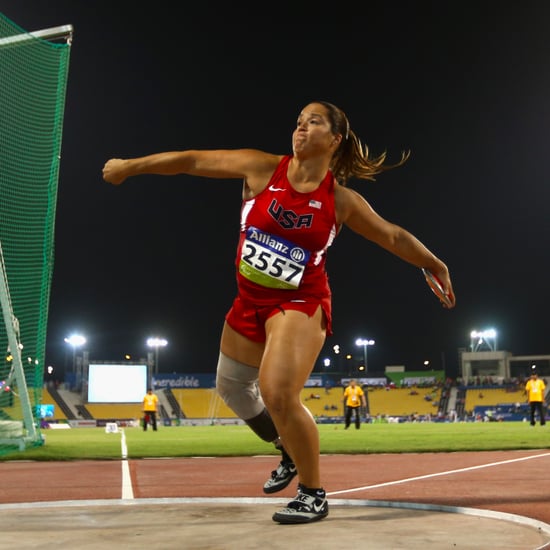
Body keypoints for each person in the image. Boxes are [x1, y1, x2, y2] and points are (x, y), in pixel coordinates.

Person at [102, 100, 456, 524]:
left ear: (335, 139)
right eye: (299, 122)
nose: (301, 128)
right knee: (231, 386)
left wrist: (433, 263)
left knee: (278, 393)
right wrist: (129, 166)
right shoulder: (261, 168)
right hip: (249, 301)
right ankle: (287, 448)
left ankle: (313, 493)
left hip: (300, 303)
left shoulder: (340, 201)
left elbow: (393, 236)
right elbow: (192, 160)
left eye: (314, 122)